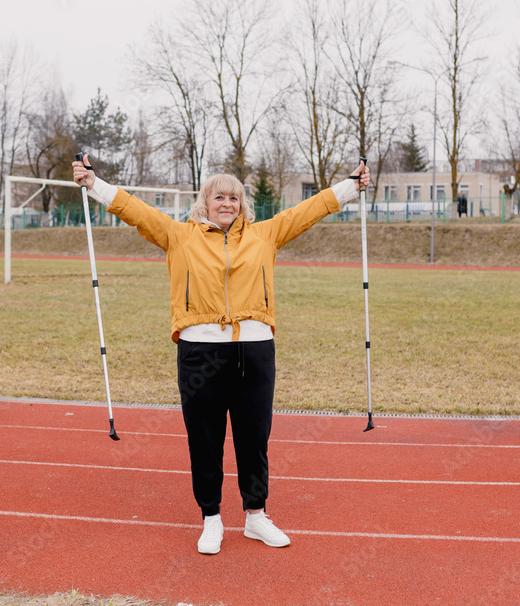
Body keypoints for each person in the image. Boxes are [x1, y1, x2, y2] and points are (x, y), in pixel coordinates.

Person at [72, 156, 370, 555]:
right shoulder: (179, 236)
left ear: (242, 204)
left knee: (254, 439)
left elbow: (309, 210)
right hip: (201, 351)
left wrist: (351, 185)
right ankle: (211, 518)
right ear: (205, 202)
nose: (227, 203)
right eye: (219, 197)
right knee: (205, 439)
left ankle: (255, 516)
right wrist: (94, 183)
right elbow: (135, 210)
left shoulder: (265, 235)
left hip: (255, 350)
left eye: (234, 197)